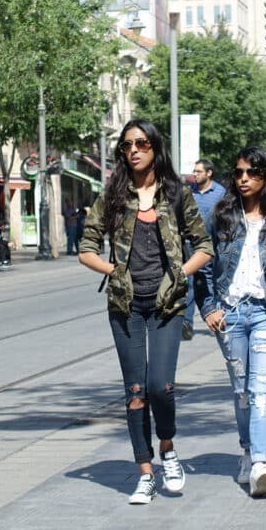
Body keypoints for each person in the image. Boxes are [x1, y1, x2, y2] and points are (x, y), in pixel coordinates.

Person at [78, 119, 212, 505]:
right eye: (127, 145)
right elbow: (86, 248)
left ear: (155, 147)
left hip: (167, 305)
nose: (133, 150)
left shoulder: (176, 194)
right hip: (125, 307)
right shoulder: (113, 196)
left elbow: (203, 247)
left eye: (141, 143)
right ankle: (145, 472)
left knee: (160, 387)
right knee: (136, 393)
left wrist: (179, 275)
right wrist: (114, 271)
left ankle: (168, 449)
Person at [196, 146, 266, 497]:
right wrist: (209, 307)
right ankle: (247, 450)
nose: (243, 179)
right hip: (231, 314)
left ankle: (260, 463)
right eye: (238, 172)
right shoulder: (221, 216)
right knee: (242, 392)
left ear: (265, 177)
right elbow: (204, 266)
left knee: (261, 390)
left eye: (251, 173)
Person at [183, 158, 226, 341]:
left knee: (212, 281)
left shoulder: (220, 192)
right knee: (190, 281)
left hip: (212, 245)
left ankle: (215, 315)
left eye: (199, 171)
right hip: (191, 245)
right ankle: (186, 323)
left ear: (209, 173)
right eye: (194, 171)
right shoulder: (189, 192)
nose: (195, 174)